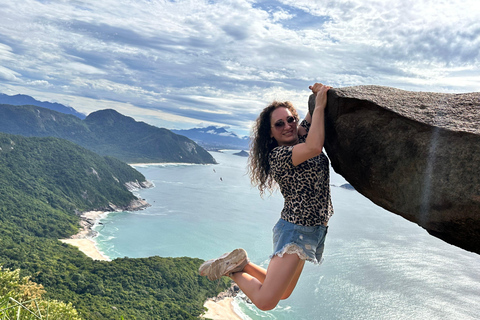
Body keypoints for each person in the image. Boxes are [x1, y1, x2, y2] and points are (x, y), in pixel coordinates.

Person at [199, 83, 334, 311]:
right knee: (265, 302)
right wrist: (320, 106)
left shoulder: (300, 137)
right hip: (296, 230)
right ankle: (231, 271)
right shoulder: (279, 155)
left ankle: (243, 264)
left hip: (313, 230)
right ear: (270, 133)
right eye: (279, 124)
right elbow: (314, 146)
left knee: (285, 293)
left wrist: (319, 93)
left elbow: (312, 113)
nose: (287, 126)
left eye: (291, 119)